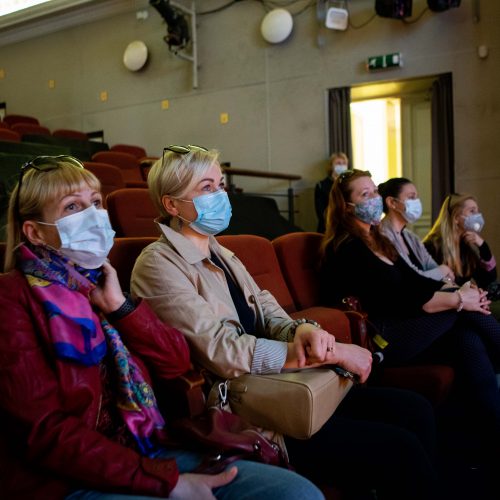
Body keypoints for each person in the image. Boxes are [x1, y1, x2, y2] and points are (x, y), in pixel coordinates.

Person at [0, 155, 324, 500]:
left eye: (95, 203)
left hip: (141, 445)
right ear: (34, 232)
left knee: (295, 492)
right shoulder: (12, 300)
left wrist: (121, 308)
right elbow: (47, 434)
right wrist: (168, 483)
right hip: (64, 479)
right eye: (72, 207)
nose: (92, 217)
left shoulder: (97, 288)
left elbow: (175, 361)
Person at [131, 145, 439, 500]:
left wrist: (301, 329)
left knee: (414, 409)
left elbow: (267, 309)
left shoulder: (220, 250)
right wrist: (330, 353)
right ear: (172, 205)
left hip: (287, 381)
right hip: (251, 407)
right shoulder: (157, 265)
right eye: (206, 188)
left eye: (221, 184)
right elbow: (220, 351)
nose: (221, 195)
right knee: (400, 450)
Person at [318, 168, 500, 456]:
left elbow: (417, 282)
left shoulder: (379, 240)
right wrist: (461, 300)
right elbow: (401, 299)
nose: (374, 198)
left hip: (411, 325)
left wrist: (461, 294)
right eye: (365, 194)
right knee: (464, 312)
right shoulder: (347, 247)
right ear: (347, 206)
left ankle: (490, 437)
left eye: (374, 191)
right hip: (383, 337)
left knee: (469, 340)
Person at [378, 177, 455, 283]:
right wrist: (443, 269)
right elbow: (412, 278)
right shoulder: (382, 235)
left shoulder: (411, 237)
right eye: (411, 197)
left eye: (417, 198)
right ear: (392, 203)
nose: (417, 202)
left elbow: (434, 269)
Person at [423, 193, 497, 290]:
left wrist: (483, 246)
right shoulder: (432, 246)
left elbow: (489, 282)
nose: (478, 216)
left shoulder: (466, 248)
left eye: (477, 211)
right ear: (456, 218)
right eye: (472, 211)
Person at [314, 152, 349, 232]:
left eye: (344, 163)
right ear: (331, 166)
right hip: (327, 227)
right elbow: (320, 212)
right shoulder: (321, 185)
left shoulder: (349, 184)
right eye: (338, 163)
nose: (342, 166)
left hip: (347, 227)